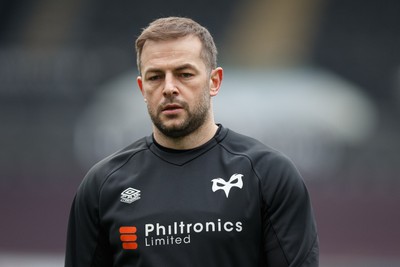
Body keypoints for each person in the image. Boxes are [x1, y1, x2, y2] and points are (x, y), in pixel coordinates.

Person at [65, 16, 319, 267]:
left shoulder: (268, 174)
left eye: (184, 74)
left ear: (214, 81)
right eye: (155, 77)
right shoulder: (102, 186)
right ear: (142, 88)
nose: (169, 88)